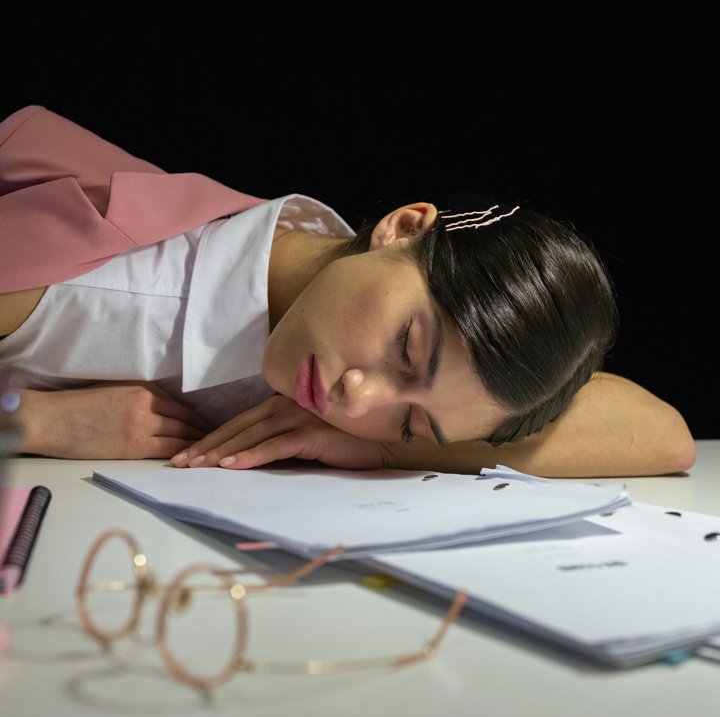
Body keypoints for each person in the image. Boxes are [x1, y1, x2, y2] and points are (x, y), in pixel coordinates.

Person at [0, 105, 695, 477]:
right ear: (400, 227)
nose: (357, 401)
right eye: (405, 348)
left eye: (411, 419)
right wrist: (27, 421)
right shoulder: (99, 286)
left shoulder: (308, 278)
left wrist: (391, 449)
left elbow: (662, 437)